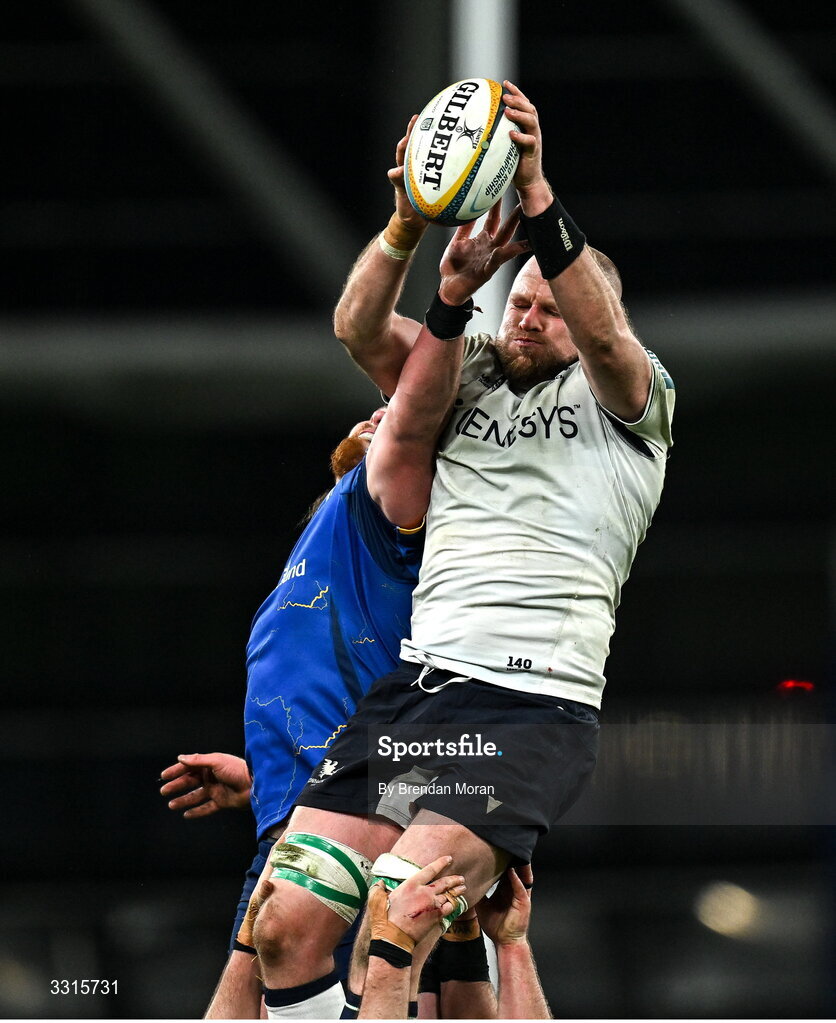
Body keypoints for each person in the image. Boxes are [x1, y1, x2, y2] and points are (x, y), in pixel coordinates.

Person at [250, 78, 674, 1020]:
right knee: (281, 921)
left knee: (400, 915)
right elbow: (357, 326)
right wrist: (408, 229)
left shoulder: (632, 406)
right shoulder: (468, 371)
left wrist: (532, 187)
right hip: (422, 684)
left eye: (549, 307)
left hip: (529, 703)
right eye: (519, 303)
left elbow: (603, 328)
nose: (529, 317)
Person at [159, 206, 527, 1019]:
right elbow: (355, 325)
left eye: (396, 413)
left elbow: (363, 336)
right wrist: (264, 781)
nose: (381, 414)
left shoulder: (399, 501)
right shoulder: (331, 535)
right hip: (299, 809)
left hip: (361, 827)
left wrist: (443, 294)